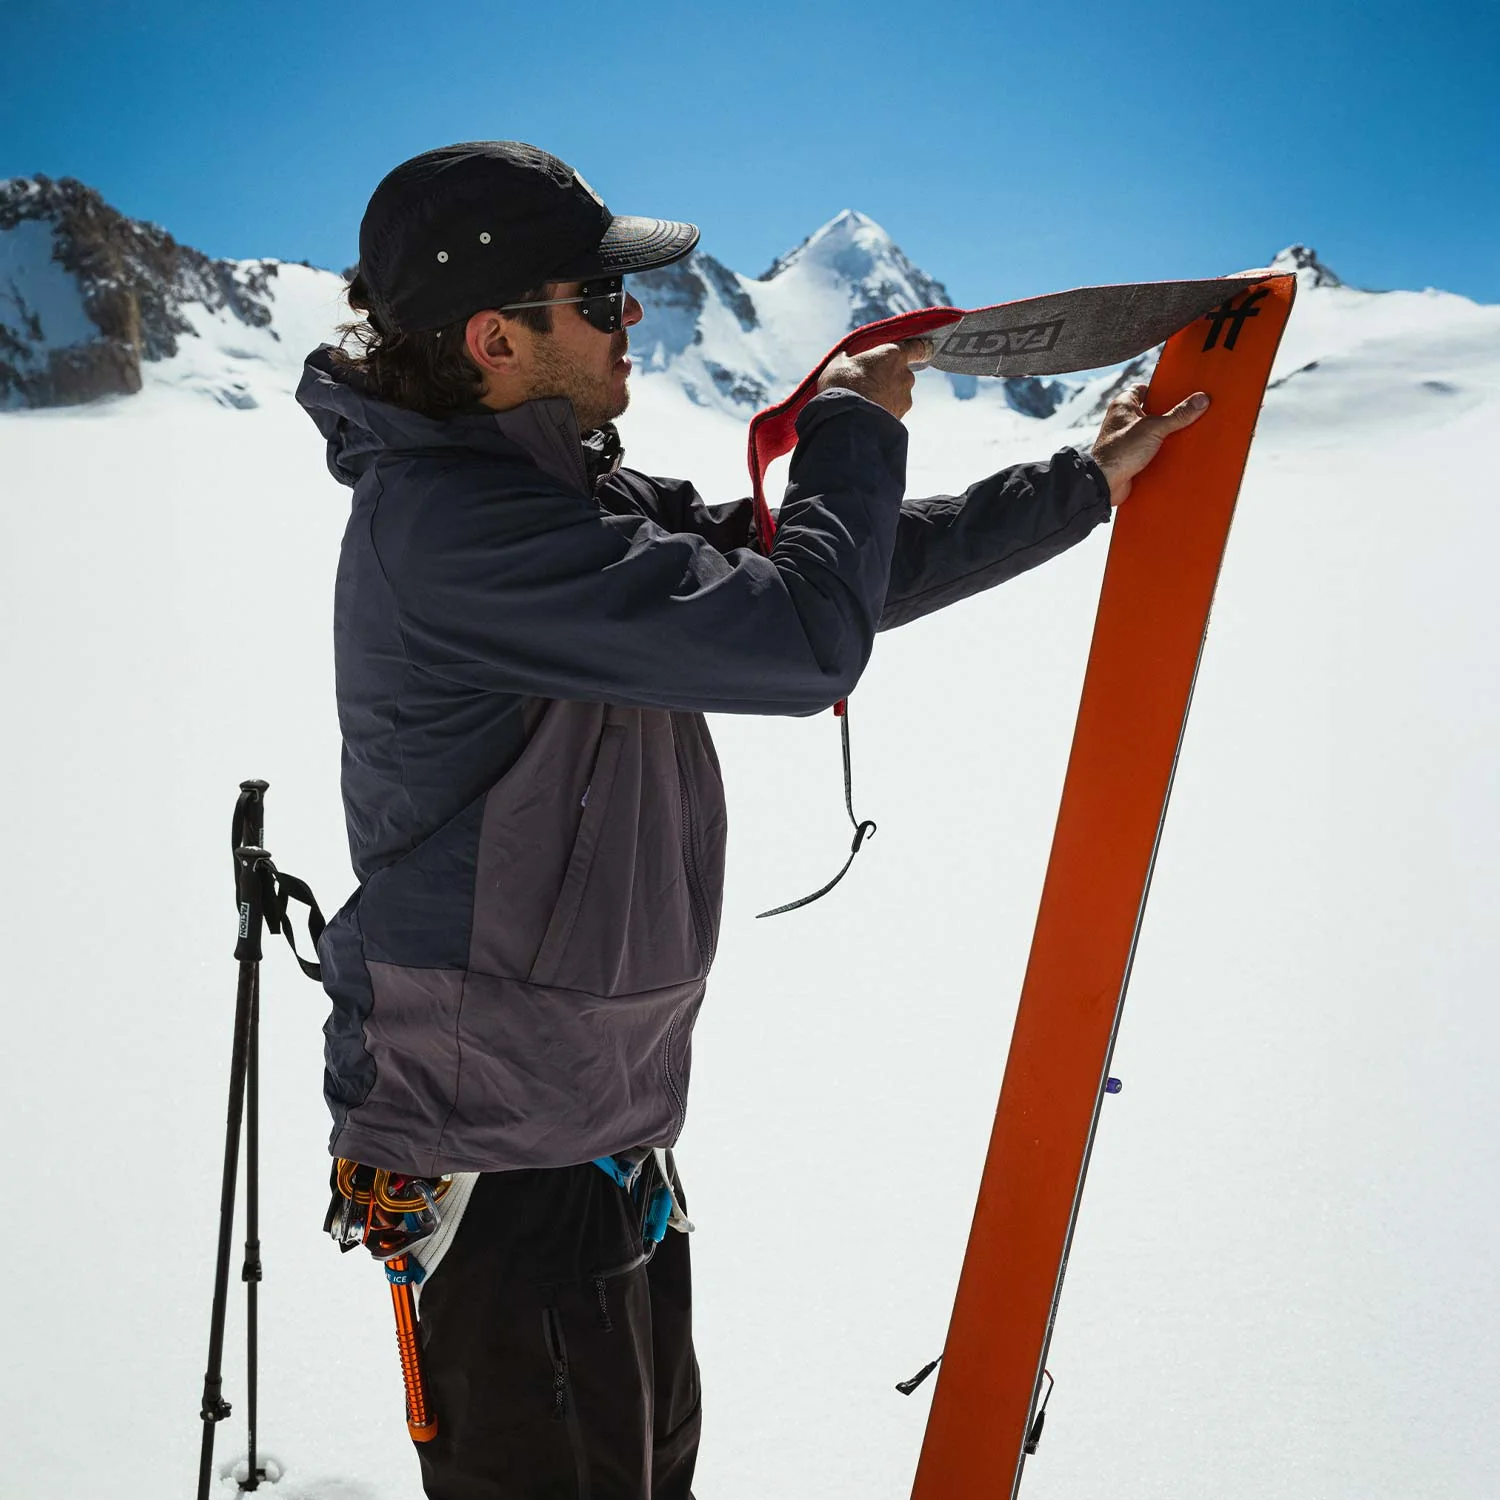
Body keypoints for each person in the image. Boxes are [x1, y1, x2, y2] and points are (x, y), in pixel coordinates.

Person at [296, 140, 1207, 1500]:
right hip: (504, 1158)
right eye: (597, 300)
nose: (630, 318)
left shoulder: (555, 499)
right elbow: (802, 642)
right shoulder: (457, 536)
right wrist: (851, 428)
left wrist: (1079, 484)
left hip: (595, 1130)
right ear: (494, 338)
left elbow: (814, 571)